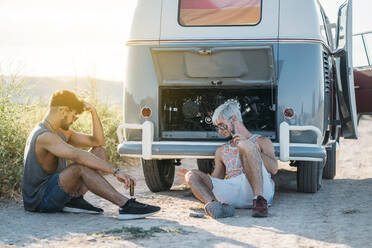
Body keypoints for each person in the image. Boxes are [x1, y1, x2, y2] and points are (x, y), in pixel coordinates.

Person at [22, 90, 160, 220]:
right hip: (40, 201)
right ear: (63, 111)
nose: (74, 120)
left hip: (55, 190)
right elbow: (76, 155)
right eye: (74, 115)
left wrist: (93, 111)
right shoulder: (44, 136)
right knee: (79, 168)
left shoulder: (60, 132)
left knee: (99, 152)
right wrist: (116, 171)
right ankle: (125, 205)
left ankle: (73, 200)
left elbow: (97, 141)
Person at [184, 99, 278, 218]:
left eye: (222, 126)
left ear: (234, 119)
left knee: (245, 145)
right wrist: (198, 183)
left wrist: (251, 147)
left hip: (260, 190)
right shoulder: (221, 151)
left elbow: (274, 169)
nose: (219, 131)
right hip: (233, 191)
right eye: (217, 127)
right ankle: (215, 206)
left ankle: (258, 201)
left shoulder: (262, 141)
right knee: (191, 175)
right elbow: (215, 181)